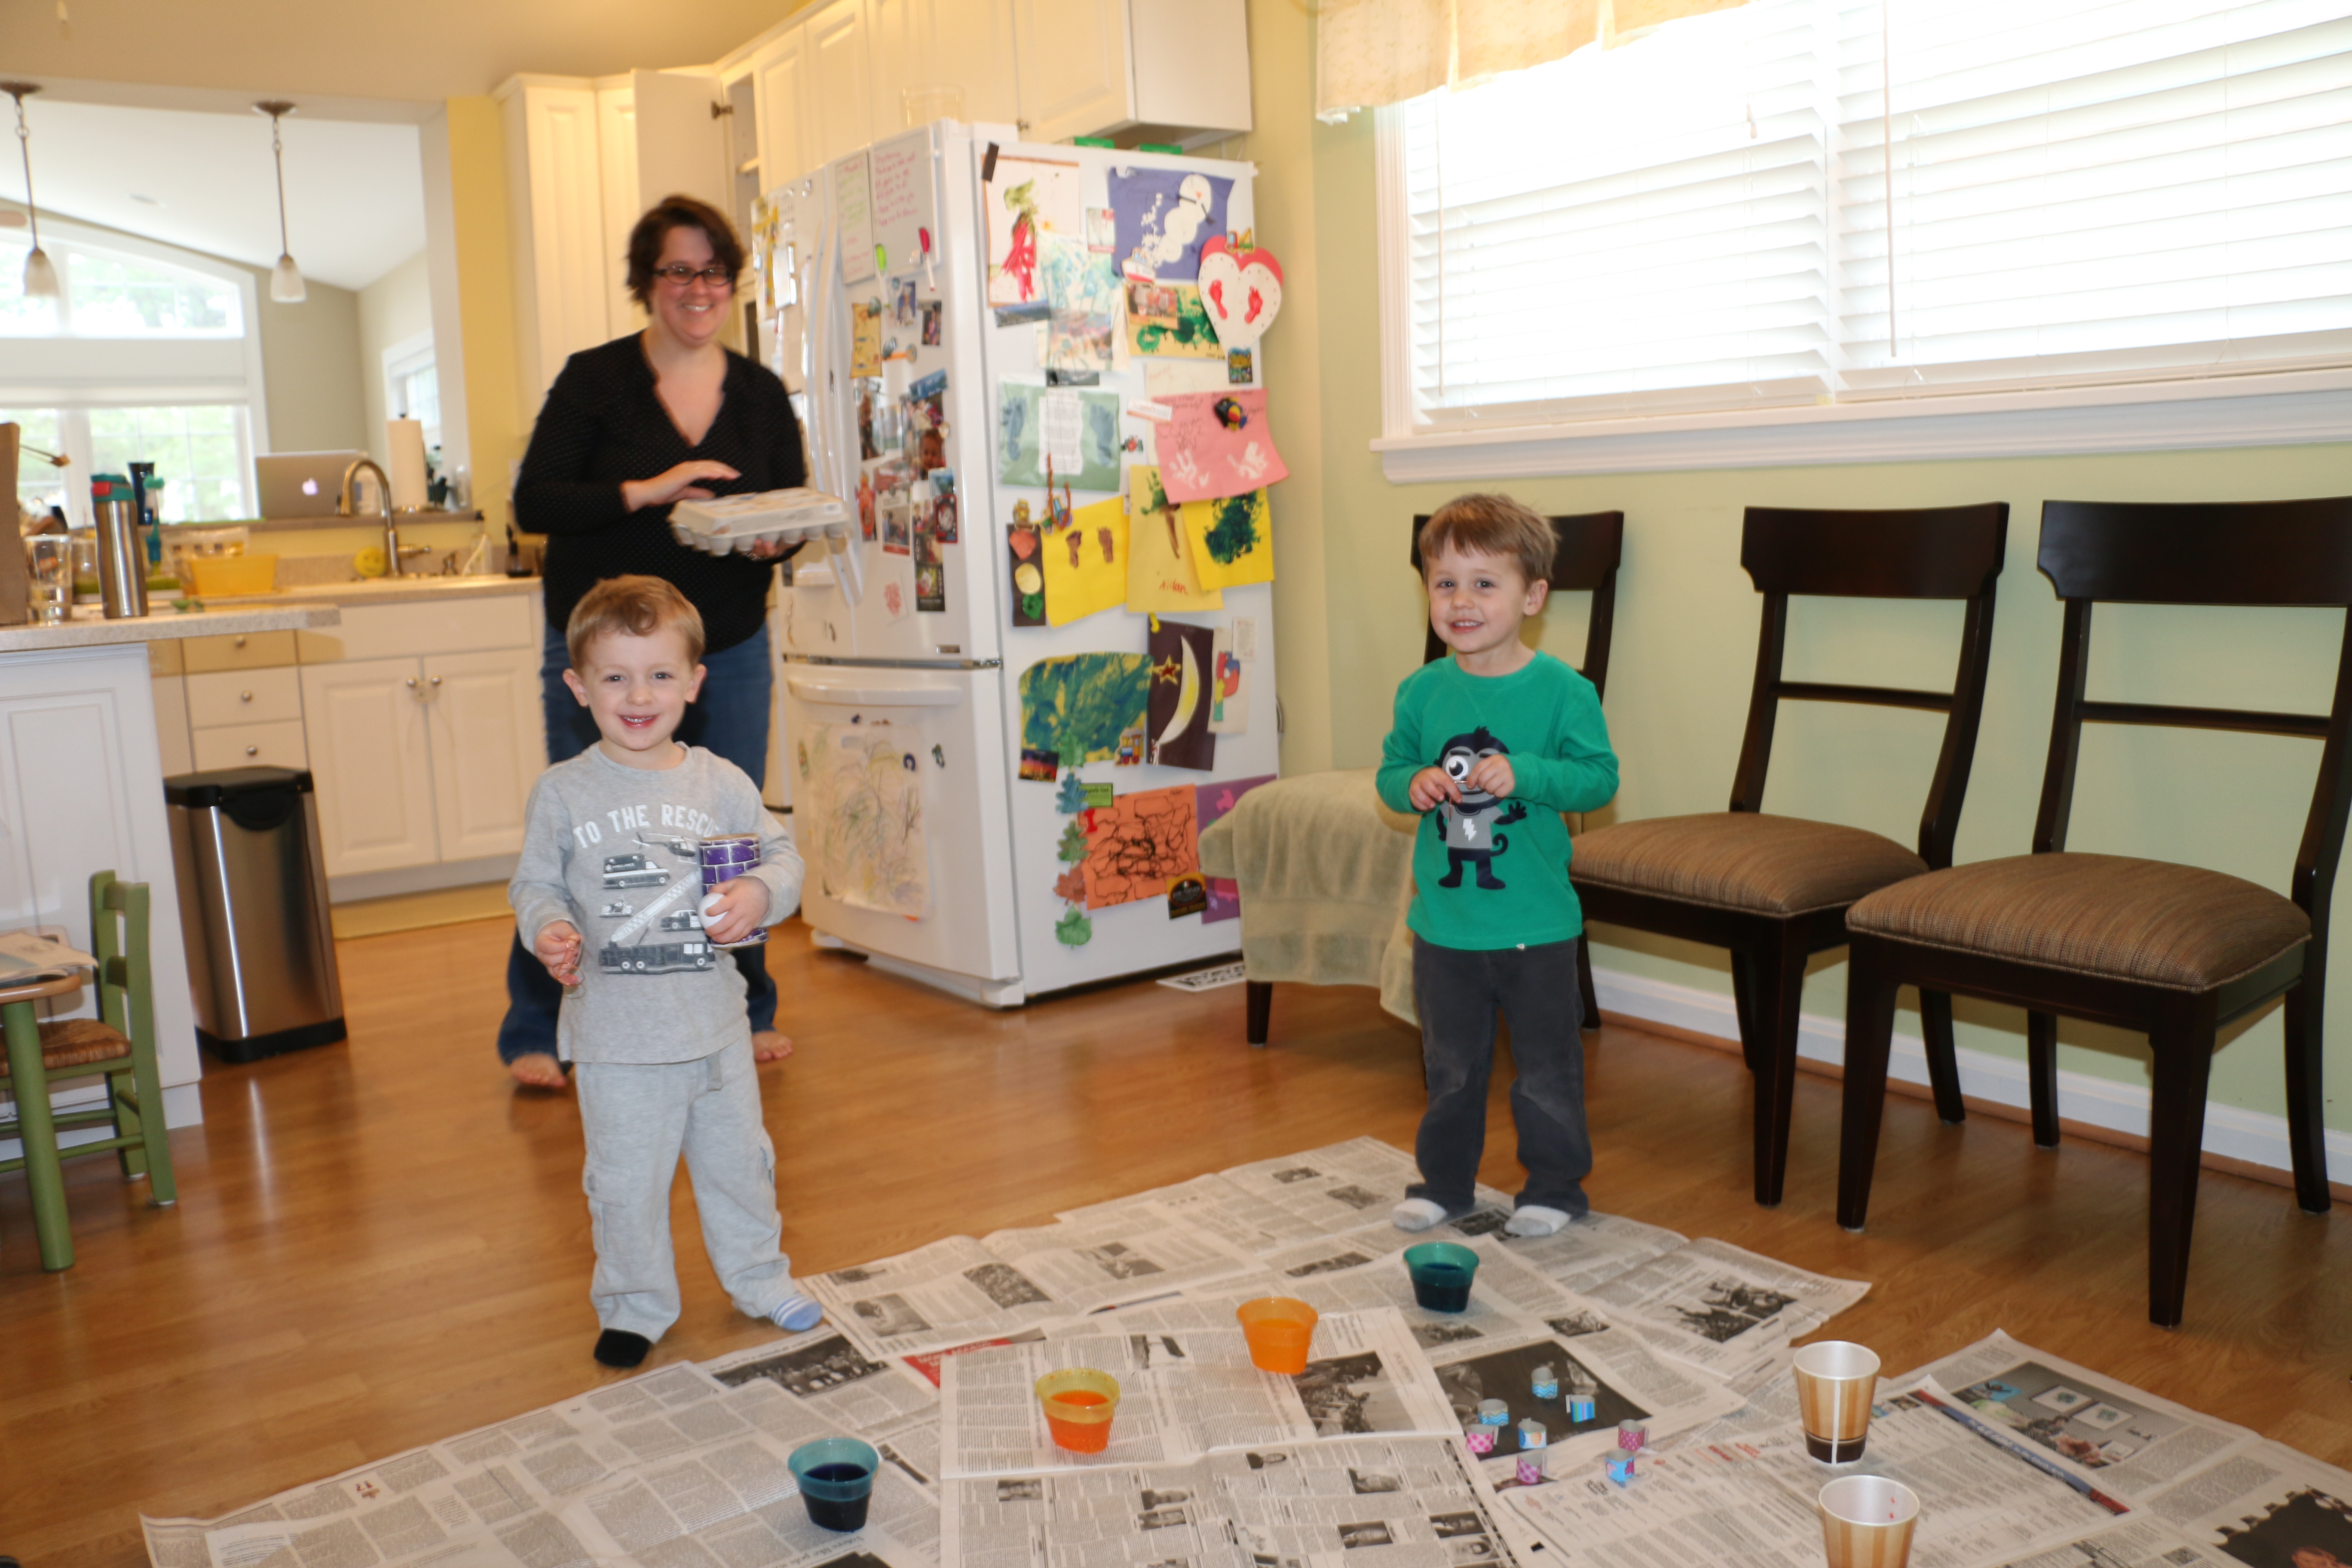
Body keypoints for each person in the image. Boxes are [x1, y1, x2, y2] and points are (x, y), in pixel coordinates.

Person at [500, 193, 805, 1088]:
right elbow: (536, 501)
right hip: (604, 656)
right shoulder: (595, 379)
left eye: (713, 271)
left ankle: (744, 1011)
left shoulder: (759, 393)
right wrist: (650, 489)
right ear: (646, 280)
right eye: (678, 269)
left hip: (726, 648)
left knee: (728, 836)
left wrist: (775, 538)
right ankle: (541, 1022)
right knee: (582, 834)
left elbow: (789, 504)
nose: (698, 288)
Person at [509, 575, 824, 1368]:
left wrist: (761, 890)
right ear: (579, 687)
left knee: (741, 1169)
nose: (639, 695)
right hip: (616, 1042)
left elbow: (784, 859)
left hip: (716, 1031)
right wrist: (547, 927)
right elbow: (535, 885)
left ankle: (760, 1279)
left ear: (694, 681)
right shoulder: (563, 793)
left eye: (659, 674)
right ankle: (635, 1306)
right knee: (625, 1188)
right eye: (615, 677)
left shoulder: (722, 783)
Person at [1375, 493, 1619, 1240]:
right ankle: (1445, 1185)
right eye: (1445, 583)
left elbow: (1599, 779)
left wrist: (1531, 774)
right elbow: (1391, 771)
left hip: (1536, 926)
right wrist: (1413, 783)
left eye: (1485, 583)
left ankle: (1555, 1189)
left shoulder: (1565, 692)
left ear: (1532, 597)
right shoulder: (1422, 690)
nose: (1461, 601)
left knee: (1546, 1069)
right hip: (1445, 926)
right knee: (1450, 1069)